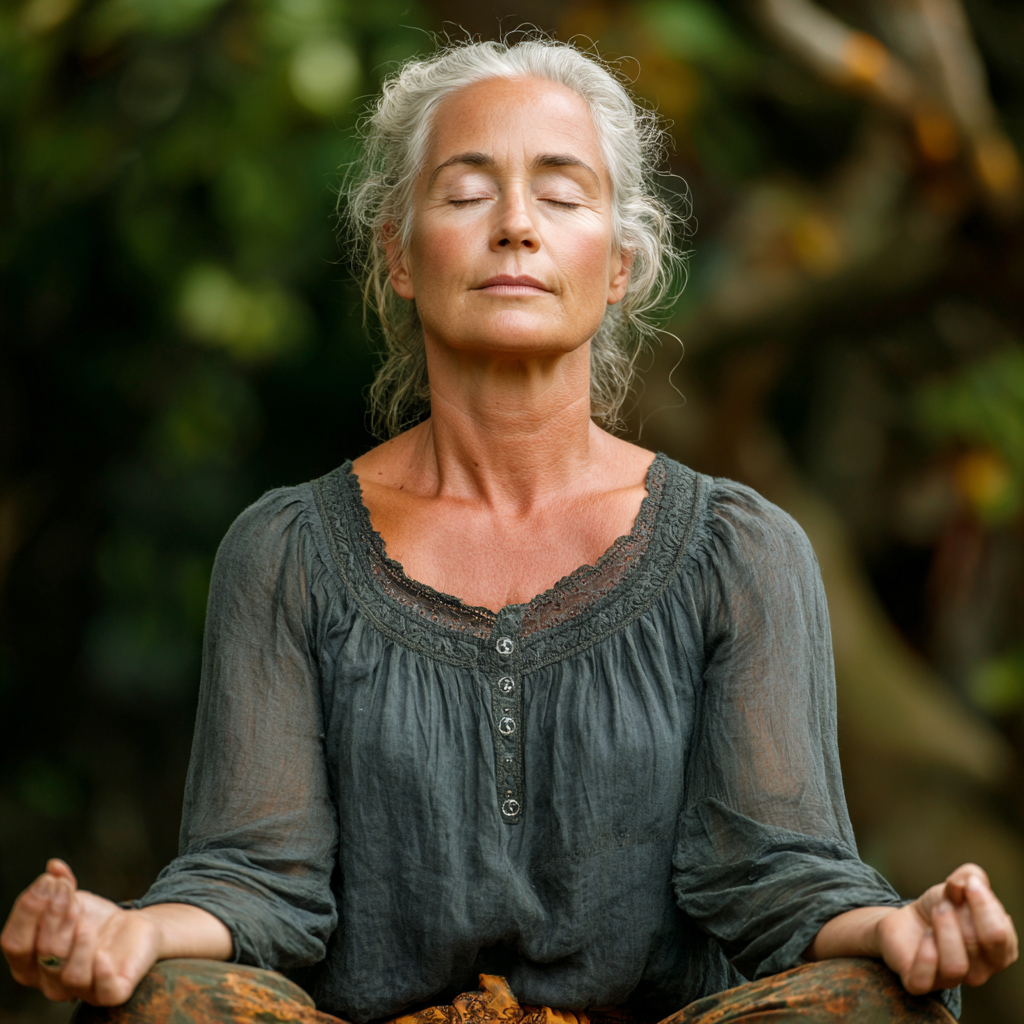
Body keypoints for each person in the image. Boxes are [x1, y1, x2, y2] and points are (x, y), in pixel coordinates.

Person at [2, 36, 1017, 1024]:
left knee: (884, 1001)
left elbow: (782, 882)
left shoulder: (739, 551)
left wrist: (894, 927)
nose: (518, 225)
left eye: (563, 193)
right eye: (467, 189)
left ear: (620, 263)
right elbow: (255, 881)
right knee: (164, 997)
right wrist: (130, 934)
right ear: (398, 253)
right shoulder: (286, 554)